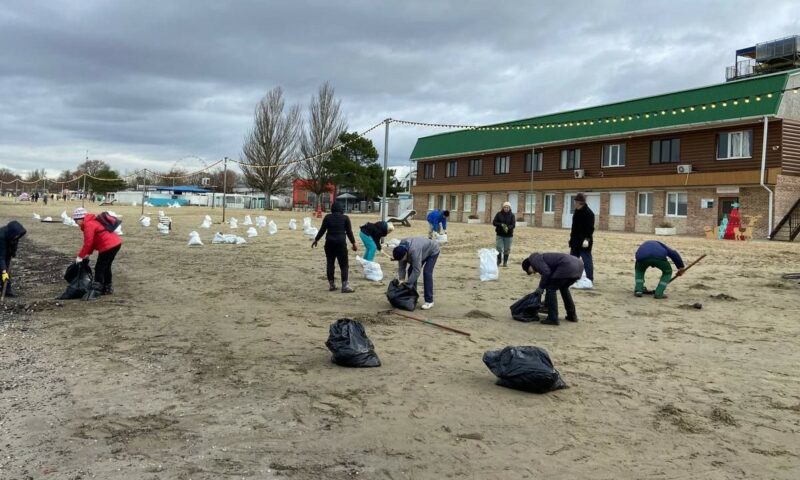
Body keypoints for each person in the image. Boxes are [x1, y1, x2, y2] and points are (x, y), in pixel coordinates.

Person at [73, 207, 122, 300]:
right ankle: (107, 288)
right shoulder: (92, 222)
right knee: (106, 267)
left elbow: (88, 242)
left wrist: (80, 256)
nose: (76, 223)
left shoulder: (89, 225)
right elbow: (93, 242)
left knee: (99, 267)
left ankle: (97, 289)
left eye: (76, 221)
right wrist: (87, 254)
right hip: (116, 243)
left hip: (108, 245)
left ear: (80, 218)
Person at [522, 252, 583, 325]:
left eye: (529, 271)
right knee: (563, 288)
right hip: (578, 266)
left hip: (567, 266)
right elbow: (549, 275)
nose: (533, 273)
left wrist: (540, 288)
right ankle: (572, 315)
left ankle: (553, 318)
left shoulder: (535, 260)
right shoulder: (541, 258)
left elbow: (546, 272)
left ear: (529, 265)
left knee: (551, 289)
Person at [312, 202, 358, 293]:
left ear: (332, 209)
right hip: (341, 243)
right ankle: (344, 286)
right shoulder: (345, 218)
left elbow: (322, 230)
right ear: (341, 209)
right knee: (344, 265)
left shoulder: (327, 217)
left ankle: (332, 285)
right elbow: (349, 232)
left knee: (330, 263)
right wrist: (353, 243)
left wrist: (316, 240)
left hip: (329, 243)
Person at [393, 237, 440, 310]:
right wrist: (401, 280)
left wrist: (408, 284)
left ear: (406, 253)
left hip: (432, 250)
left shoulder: (414, 251)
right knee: (410, 271)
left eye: (403, 259)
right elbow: (402, 267)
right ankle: (413, 297)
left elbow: (417, 270)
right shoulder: (400, 250)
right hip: (422, 250)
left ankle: (429, 301)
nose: (403, 261)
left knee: (427, 272)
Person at [569, 193, 595, 285]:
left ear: (580, 202)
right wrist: (571, 240)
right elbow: (574, 227)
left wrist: (587, 240)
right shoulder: (576, 212)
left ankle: (589, 278)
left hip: (584, 242)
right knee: (572, 260)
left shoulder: (589, 213)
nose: (574, 203)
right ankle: (572, 277)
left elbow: (590, 228)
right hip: (575, 241)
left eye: (575, 201)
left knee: (587, 260)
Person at [0, 221, 27, 298]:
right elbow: (1, 257)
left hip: (6, 252)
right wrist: (4, 272)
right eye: (16, 236)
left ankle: (7, 291)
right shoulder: (1, 236)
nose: (17, 237)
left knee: (7, 268)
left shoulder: (14, 235)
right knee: (3, 270)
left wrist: (13, 252)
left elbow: (15, 243)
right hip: (0, 252)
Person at [492, 201, 516, 267]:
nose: (506, 208)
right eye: (505, 207)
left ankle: (505, 262)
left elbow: (513, 225)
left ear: (509, 208)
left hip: (508, 235)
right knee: (499, 248)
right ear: (503, 208)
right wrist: (501, 224)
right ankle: (499, 261)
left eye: (507, 207)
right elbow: (494, 222)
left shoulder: (512, 215)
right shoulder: (499, 214)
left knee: (507, 249)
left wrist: (508, 228)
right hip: (499, 234)